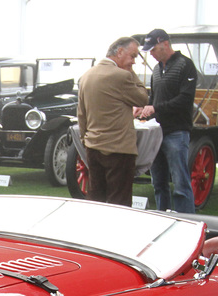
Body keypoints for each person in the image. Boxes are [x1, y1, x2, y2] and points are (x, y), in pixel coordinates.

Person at [76, 37, 148, 206]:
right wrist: (130, 72)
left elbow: (81, 114)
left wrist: (85, 140)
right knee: (119, 201)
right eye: (132, 56)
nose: (133, 61)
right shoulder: (122, 76)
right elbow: (143, 98)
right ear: (119, 52)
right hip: (119, 149)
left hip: (93, 146)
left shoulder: (86, 76)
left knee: (95, 198)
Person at [136, 28, 198, 214]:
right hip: (157, 132)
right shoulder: (156, 69)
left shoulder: (185, 65)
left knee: (180, 182)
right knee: (158, 182)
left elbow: (185, 98)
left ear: (165, 44)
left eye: (153, 49)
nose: (152, 54)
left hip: (177, 131)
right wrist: (143, 108)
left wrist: (155, 108)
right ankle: (161, 217)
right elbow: (155, 98)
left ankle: (187, 220)